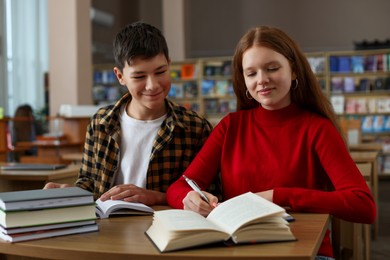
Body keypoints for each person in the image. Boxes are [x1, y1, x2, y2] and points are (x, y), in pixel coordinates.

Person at [166, 26, 376, 258]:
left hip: (305, 252)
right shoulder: (230, 126)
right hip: (240, 252)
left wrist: (277, 196)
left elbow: (363, 205)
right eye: (251, 73)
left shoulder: (317, 128)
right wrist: (190, 199)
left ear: (294, 70)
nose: (262, 80)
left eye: (272, 68)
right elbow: (180, 186)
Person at [44, 21, 213, 206]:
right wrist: (71, 192)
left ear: (169, 64)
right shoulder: (100, 123)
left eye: (161, 71)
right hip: (108, 231)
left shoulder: (195, 128)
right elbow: (89, 184)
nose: (152, 85)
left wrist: (157, 197)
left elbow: (209, 195)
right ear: (120, 76)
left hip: (165, 230)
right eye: (139, 76)